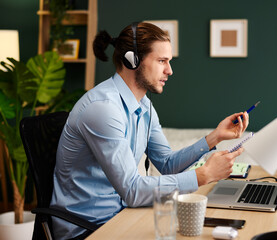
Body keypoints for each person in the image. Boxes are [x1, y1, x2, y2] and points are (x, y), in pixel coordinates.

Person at [50, 22, 249, 239]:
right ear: (132, 60)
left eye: (169, 61)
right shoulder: (103, 108)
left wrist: (214, 137)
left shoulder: (144, 106)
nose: (169, 71)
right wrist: (202, 175)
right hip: (87, 229)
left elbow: (167, 164)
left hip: (120, 215)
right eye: (162, 61)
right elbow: (132, 191)